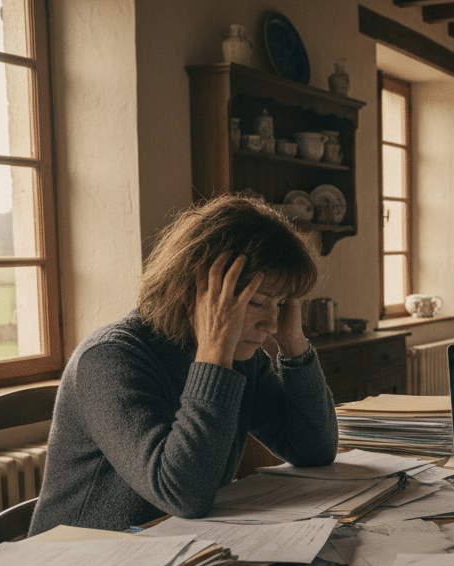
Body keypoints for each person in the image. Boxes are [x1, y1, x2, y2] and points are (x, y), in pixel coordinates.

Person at [29, 194, 338, 536]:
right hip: (81, 559)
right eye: (256, 302)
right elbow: (182, 494)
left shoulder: (240, 359)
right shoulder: (109, 359)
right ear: (198, 289)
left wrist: (294, 345)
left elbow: (313, 451)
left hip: (169, 548)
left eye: (280, 304)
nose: (271, 323)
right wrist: (215, 351)